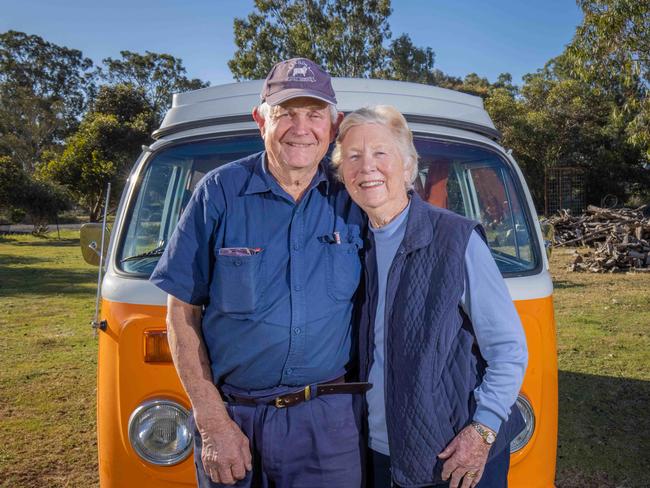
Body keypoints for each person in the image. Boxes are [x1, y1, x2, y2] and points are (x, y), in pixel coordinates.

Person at [150, 58, 370, 488]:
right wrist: (211, 421)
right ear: (261, 119)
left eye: (314, 114)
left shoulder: (356, 197)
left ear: (334, 122)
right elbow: (181, 313)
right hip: (233, 420)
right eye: (286, 113)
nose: (301, 128)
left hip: (327, 426)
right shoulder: (218, 192)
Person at [331, 105, 528, 488]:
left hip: (453, 455)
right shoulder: (353, 245)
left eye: (380, 153)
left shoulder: (456, 238)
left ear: (408, 167)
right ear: (343, 174)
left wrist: (483, 430)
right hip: (378, 452)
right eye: (353, 156)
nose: (366, 167)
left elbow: (508, 347)